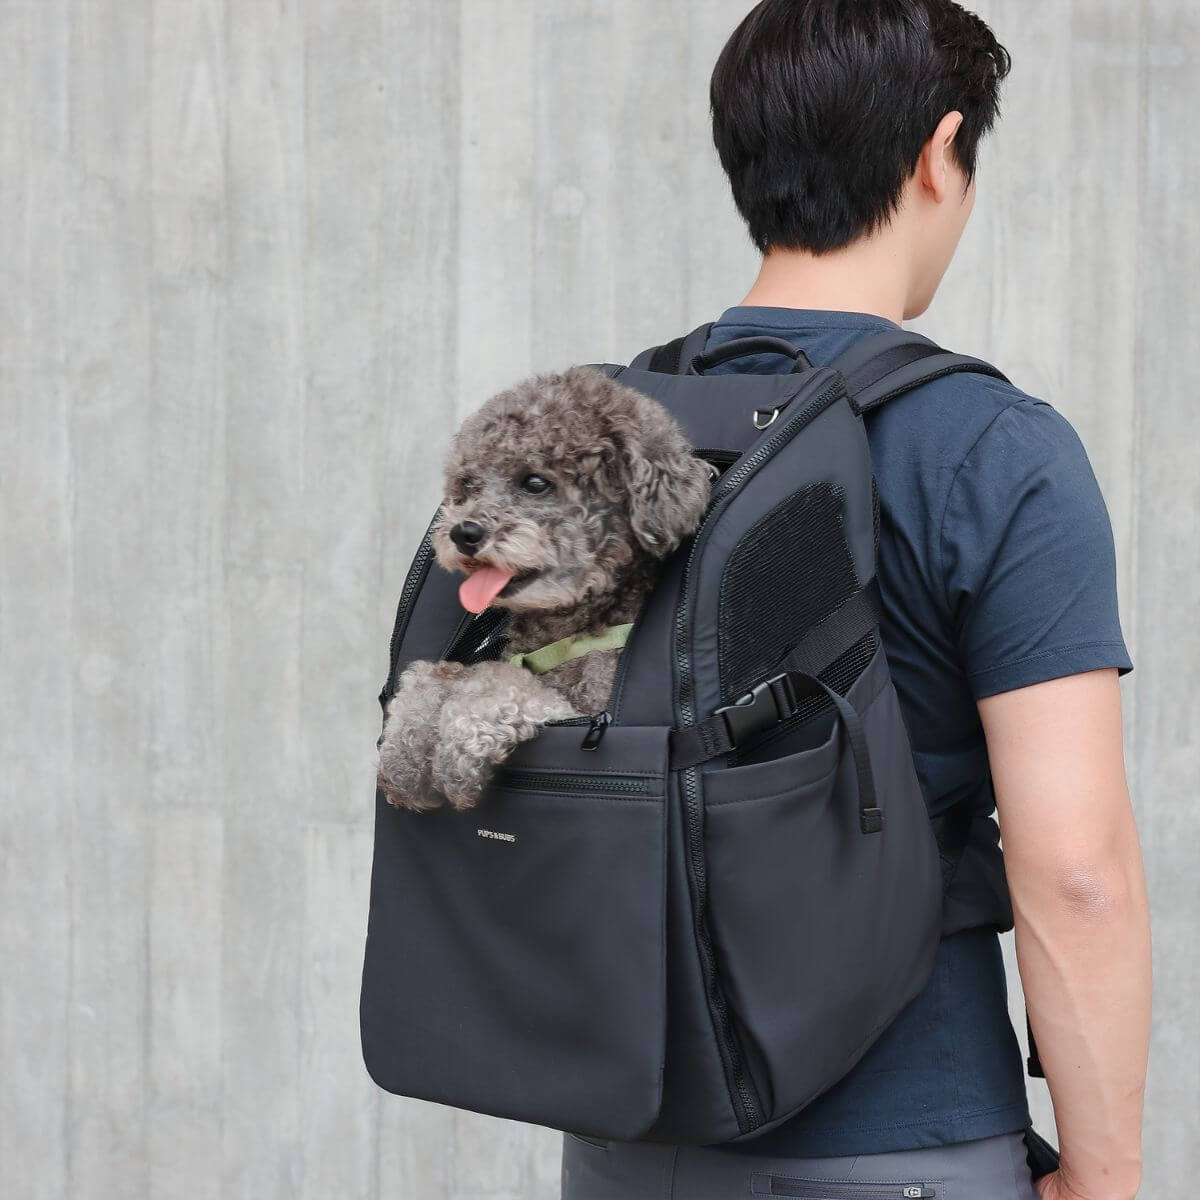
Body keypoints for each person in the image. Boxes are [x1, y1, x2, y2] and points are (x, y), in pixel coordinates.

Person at [560, 2, 1151, 1198]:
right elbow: (1075, 868)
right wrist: (1105, 1175)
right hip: (906, 1147)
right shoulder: (994, 450)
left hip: (626, 1138)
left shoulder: (607, 431)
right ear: (941, 154)